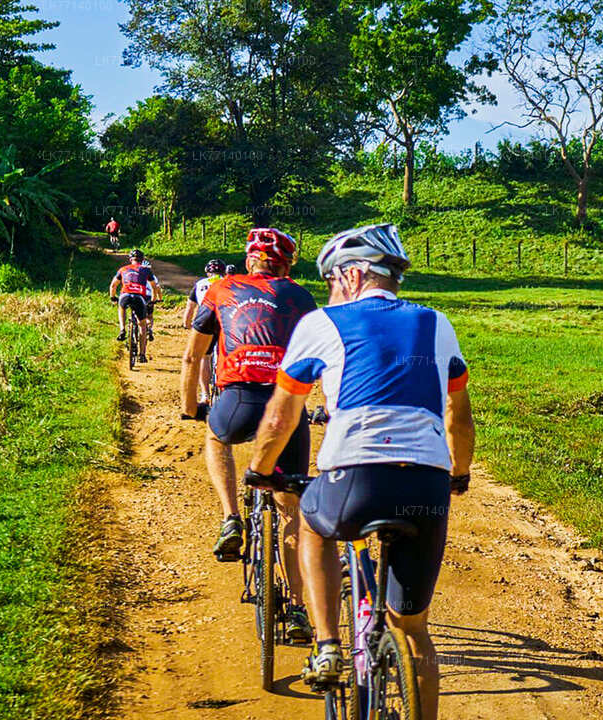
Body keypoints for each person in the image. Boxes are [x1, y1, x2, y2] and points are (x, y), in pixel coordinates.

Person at [245, 223, 475, 720]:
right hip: (426, 483)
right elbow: (459, 414)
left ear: (351, 275)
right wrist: (458, 474)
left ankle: (327, 644)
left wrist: (261, 469)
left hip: (354, 478)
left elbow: (282, 415)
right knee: (413, 629)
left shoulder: (321, 324)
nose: (330, 290)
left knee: (311, 522)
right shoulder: (439, 324)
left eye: (330, 280)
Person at [179, 229, 318, 643]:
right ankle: (296, 609)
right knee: (291, 509)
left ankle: (230, 519)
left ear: (249, 260)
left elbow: (193, 355)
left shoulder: (222, 289)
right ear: (288, 265)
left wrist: (190, 408)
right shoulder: (300, 297)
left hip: (237, 400)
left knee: (216, 436)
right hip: (286, 407)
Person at [183, 259, 227, 403]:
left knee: (205, 357)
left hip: (205, 320)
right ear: (223, 272)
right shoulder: (230, 284)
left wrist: (186, 324)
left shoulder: (200, 284)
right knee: (228, 354)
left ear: (207, 272)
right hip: (224, 320)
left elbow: (190, 308)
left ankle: (205, 395)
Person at [108, 249, 161, 363]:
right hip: (139, 297)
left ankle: (122, 329)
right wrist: (153, 300)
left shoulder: (123, 269)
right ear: (142, 260)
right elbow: (154, 287)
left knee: (121, 307)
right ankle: (142, 355)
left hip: (125, 295)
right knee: (142, 325)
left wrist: (113, 297)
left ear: (130, 259)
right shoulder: (146, 270)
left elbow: (113, 285)